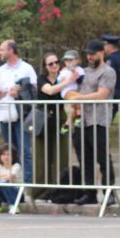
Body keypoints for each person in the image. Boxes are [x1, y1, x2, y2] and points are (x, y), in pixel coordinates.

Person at [69, 39, 116, 205]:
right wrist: (74, 100)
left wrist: (79, 97)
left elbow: (102, 94)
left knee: (102, 158)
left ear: (101, 53)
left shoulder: (108, 71)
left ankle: (109, 192)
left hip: (99, 119)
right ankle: (89, 193)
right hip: (83, 120)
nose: (89, 57)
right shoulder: (86, 72)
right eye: (88, 54)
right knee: (85, 158)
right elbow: (82, 91)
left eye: (93, 53)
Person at [0, 39, 37, 185]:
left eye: (2, 49)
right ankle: (12, 180)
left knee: (25, 150)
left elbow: (34, 90)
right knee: (9, 150)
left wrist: (20, 91)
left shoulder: (26, 68)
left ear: (11, 50)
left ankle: (28, 183)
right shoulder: (0, 70)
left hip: (22, 115)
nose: (0, 52)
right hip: (5, 115)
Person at [36, 53, 72, 200]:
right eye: (50, 64)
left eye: (56, 62)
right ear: (45, 66)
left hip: (60, 116)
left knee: (61, 155)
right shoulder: (41, 79)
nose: (55, 65)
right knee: (42, 155)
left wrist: (71, 118)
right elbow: (49, 90)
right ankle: (41, 191)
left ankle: (60, 190)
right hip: (43, 117)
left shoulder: (63, 77)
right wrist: (68, 81)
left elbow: (72, 95)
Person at [102, 34, 120, 119]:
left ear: (110, 46)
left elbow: (108, 77)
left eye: (105, 44)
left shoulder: (111, 60)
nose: (104, 47)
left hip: (114, 94)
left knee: (106, 120)